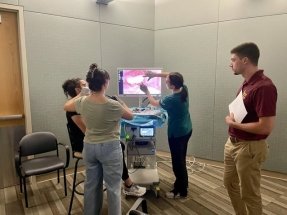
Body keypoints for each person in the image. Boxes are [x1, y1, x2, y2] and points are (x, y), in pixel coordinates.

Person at [64, 64, 133, 215]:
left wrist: (82, 94)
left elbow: (66, 106)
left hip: (89, 148)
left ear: (89, 84)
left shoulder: (82, 102)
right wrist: (120, 101)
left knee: (91, 186)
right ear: (106, 82)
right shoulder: (113, 104)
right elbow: (130, 115)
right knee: (113, 189)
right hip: (110, 148)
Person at [62, 77, 146, 198]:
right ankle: (128, 184)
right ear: (78, 90)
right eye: (85, 85)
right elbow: (88, 131)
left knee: (118, 144)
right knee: (117, 145)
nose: (89, 86)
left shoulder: (85, 102)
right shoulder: (74, 108)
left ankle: (111, 177)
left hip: (93, 141)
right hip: (85, 143)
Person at [224, 42, 277, 215]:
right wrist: (233, 118)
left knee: (250, 195)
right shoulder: (247, 83)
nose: (230, 63)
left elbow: (265, 128)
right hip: (233, 143)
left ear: (245, 60)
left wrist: (234, 124)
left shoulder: (264, 87)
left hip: (249, 148)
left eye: (233, 60)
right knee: (229, 183)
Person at [140, 71, 192, 199]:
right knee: (181, 159)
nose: (165, 81)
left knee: (177, 163)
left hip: (177, 134)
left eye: (167, 81)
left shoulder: (171, 99)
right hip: (187, 130)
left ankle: (180, 191)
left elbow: (154, 103)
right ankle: (183, 184)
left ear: (173, 86)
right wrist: (155, 74)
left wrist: (146, 91)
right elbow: (171, 73)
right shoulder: (183, 88)